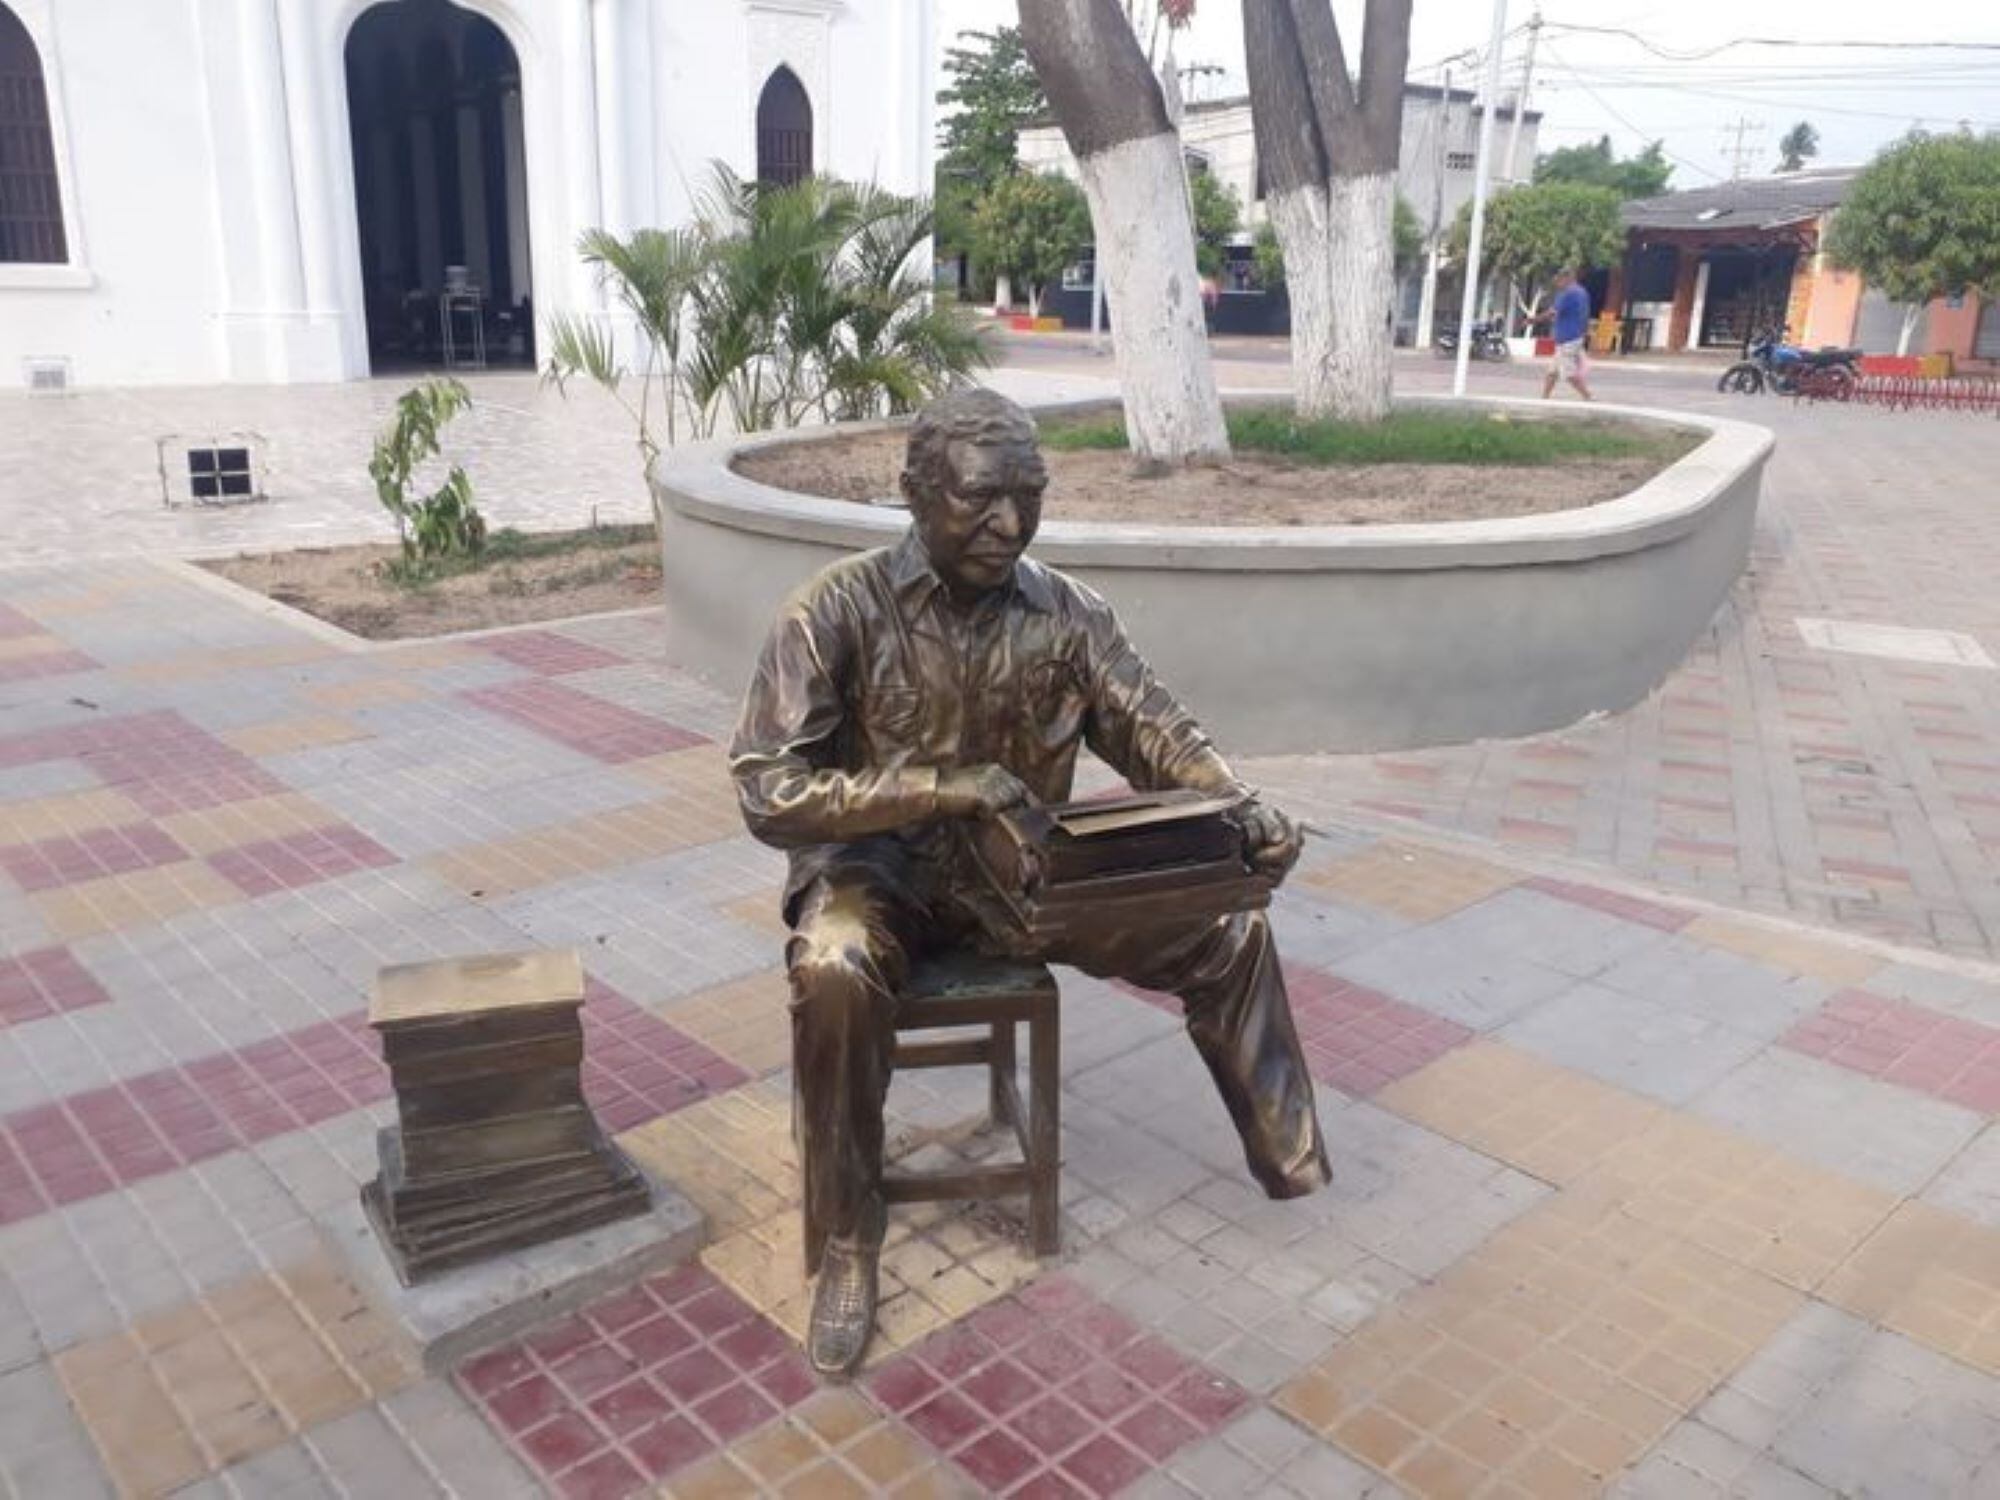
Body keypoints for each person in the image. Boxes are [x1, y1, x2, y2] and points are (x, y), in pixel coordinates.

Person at [729, 388, 1332, 1378]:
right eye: (979, 498)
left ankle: (1288, 1159)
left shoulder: (1069, 614)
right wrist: (940, 788)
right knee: (834, 966)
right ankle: (847, 1233)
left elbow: (1158, 731)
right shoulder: (834, 611)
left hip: (1028, 883)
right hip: (877, 876)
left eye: (1028, 496)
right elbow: (769, 791)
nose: (1007, 524)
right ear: (916, 491)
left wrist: (1241, 808)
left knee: (1228, 922)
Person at [1542, 267, 1595, 402]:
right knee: (1552, 371)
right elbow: (1584, 314)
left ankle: (1588, 396)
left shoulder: (1568, 293)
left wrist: (1533, 320)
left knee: (1568, 373)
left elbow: (1552, 312)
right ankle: (1544, 398)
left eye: (1559, 280)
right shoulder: (1582, 292)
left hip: (1568, 339)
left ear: (1567, 278)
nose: (1557, 283)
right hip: (1573, 337)